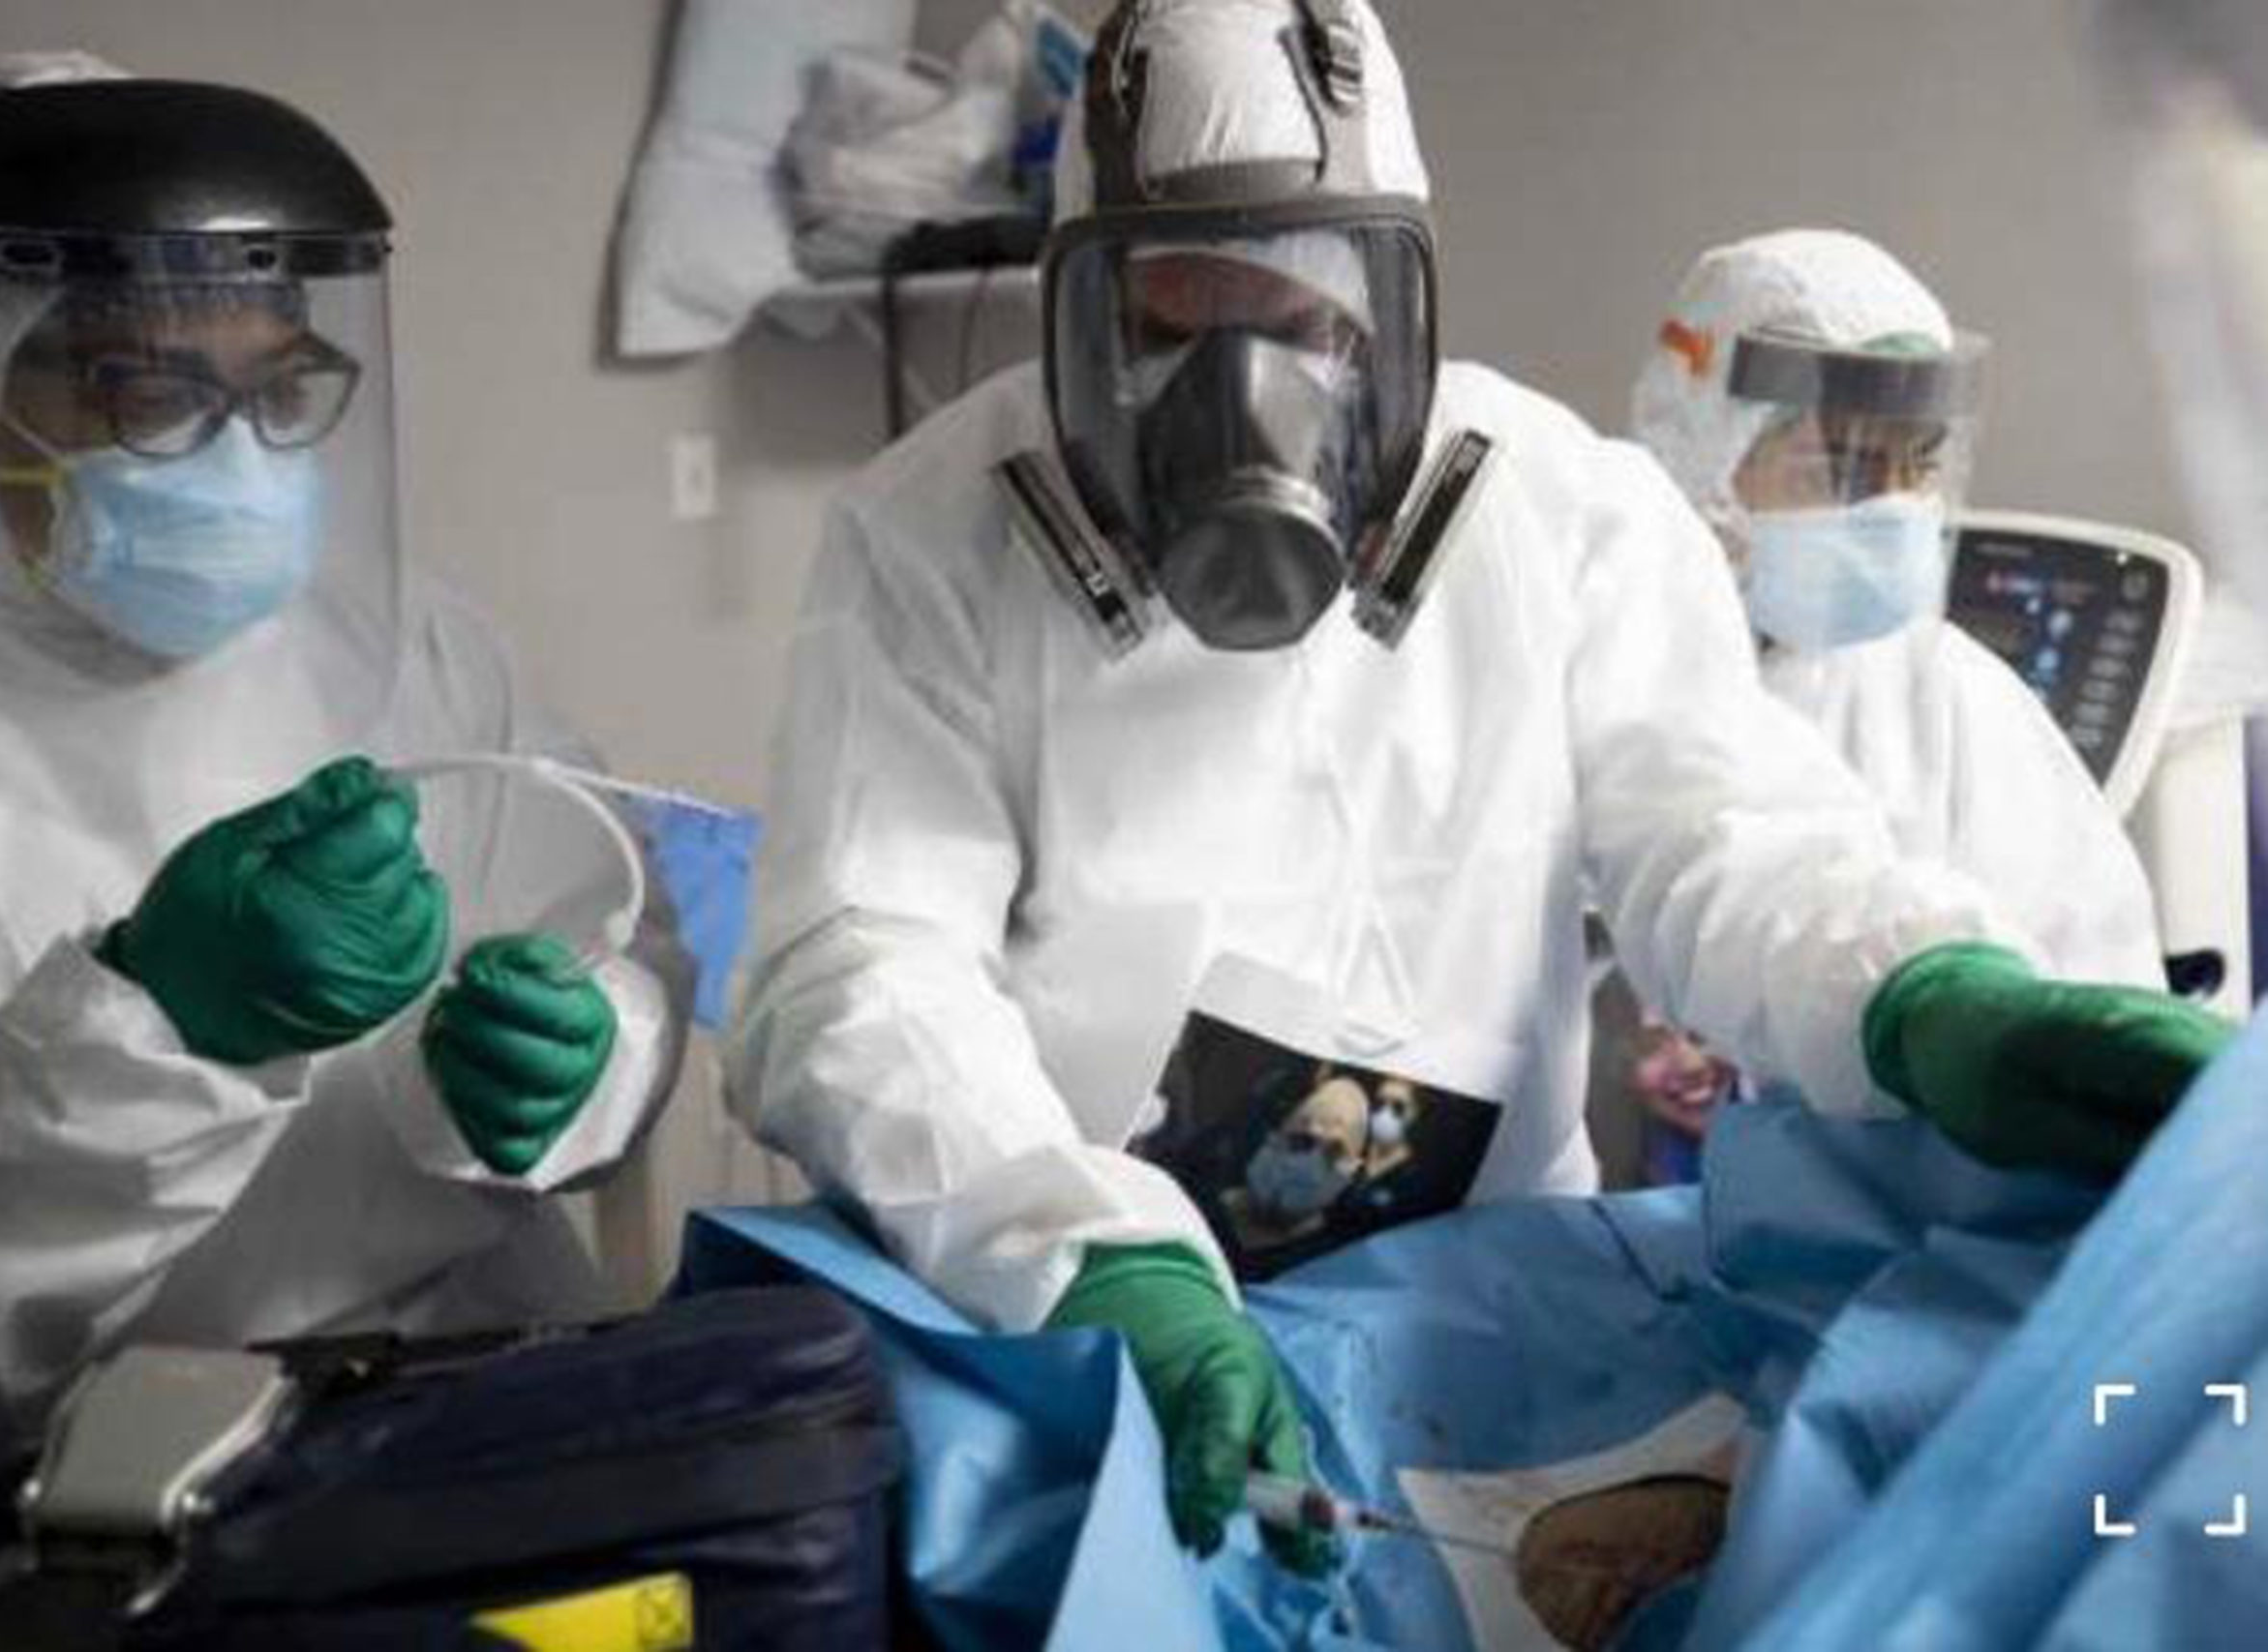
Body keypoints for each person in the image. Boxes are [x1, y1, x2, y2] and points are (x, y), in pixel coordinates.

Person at [727, 0, 2228, 1573]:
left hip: (1497, 1314)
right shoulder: (935, 535)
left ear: (1398, 300)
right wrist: (1093, 1263)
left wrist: (1922, 994)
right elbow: (864, 965)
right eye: (1173, 323)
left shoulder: (1560, 509)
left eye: (1305, 322)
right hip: (1093, 1309)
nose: (1244, 399)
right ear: (1080, 313)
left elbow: (1727, 839)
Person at [0, 57, 688, 1506]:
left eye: (279, 389)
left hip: (484, 1420)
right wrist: (159, 1029)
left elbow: (616, 921)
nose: (237, 460)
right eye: (149, 391)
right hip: (74, 1506)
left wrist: (583, 1060)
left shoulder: (406, 644)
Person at [1621, 228, 2166, 1169]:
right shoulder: (1603, 663)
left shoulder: (1950, 704)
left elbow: (2087, 1013)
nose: (1892, 504)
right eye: (1843, 464)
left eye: (1915, 463)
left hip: (1898, 1237)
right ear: (1709, 446)